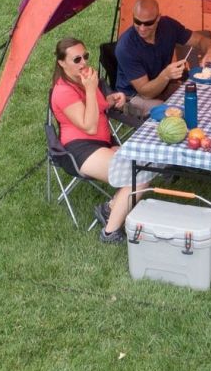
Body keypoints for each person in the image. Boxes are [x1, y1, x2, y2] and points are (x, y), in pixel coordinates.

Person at [50, 37, 144, 244]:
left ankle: (109, 208)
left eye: (85, 56)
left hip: (102, 144)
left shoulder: (84, 81)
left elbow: (98, 106)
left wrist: (112, 98)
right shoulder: (64, 91)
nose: (83, 63)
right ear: (61, 63)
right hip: (79, 150)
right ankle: (110, 232)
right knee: (138, 176)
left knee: (144, 165)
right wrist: (92, 89)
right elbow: (89, 125)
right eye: (76, 60)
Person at [115, 0, 211, 117]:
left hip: (162, 87)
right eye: (137, 21)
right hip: (133, 96)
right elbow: (146, 93)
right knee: (173, 113)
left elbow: (201, 40)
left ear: (158, 18)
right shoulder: (125, 47)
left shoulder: (168, 26)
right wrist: (166, 75)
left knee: (198, 98)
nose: (142, 28)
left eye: (148, 23)